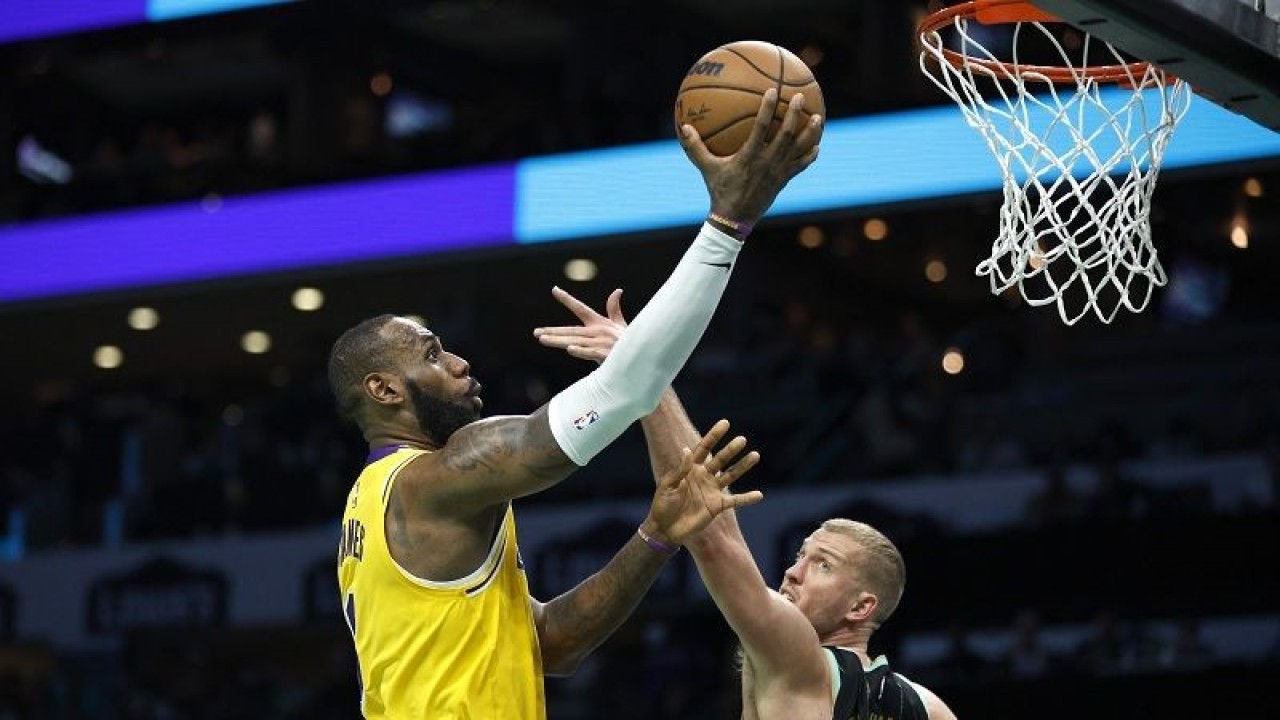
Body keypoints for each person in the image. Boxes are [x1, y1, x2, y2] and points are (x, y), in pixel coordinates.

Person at [330, 89, 822, 718]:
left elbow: (551, 646)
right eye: (431, 355)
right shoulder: (437, 478)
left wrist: (655, 535)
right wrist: (729, 223)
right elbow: (623, 392)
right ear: (383, 390)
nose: (458, 363)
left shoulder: (377, 505)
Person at [535, 287, 957, 720]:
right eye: (801, 555)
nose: (792, 572)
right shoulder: (929, 708)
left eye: (823, 565)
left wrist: (638, 369)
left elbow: (709, 532)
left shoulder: (798, 652)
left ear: (860, 607)